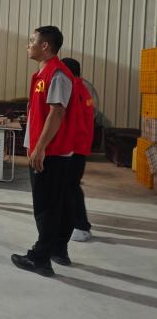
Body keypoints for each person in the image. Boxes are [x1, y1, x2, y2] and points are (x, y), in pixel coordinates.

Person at [11, 26, 80, 277]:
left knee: (46, 207)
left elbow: (57, 112)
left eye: (32, 40)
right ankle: (56, 250)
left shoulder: (58, 74)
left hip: (51, 153)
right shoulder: (43, 74)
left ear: (45, 46)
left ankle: (41, 258)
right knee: (53, 204)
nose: (28, 44)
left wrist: (40, 148)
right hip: (46, 150)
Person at [61, 57, 94, 242]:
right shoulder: (82, 88)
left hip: (74, 146)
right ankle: (73, 221)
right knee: (70, 185)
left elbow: (70, 120)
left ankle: (81, 226)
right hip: (80, 145)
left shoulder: (73, 88)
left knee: (71, 186)